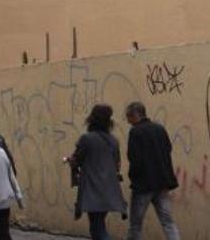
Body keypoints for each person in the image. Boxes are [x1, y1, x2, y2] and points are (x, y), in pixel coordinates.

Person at [68, 105, 127, 240]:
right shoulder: (113, 140)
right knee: (97, 226)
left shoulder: (86, 139)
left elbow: (78, 160)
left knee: (98, 229)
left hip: (93, 189)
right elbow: (117, 164)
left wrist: (72, 161)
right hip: (109, 189)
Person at [124, 102, 180, 240]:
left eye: (128, 116)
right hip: (162, 182)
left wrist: (133, 177)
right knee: (167, 221)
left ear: (134, 115)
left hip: (143, 184)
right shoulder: (159, 129)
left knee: (136, 224)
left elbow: (134, 158)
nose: (127, 120)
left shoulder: (135, 132)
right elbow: (168, 149)